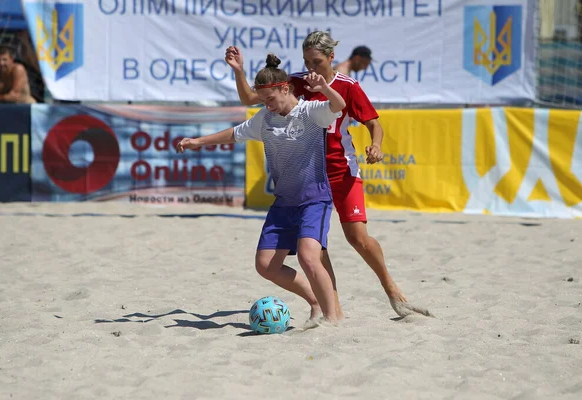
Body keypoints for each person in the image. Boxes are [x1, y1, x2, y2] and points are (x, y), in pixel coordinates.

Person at [225, 32, 431, 318]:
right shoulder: (294, 82)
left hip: (340, 169)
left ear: (331, 58)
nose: (311, 68)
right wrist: (239, 71)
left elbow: (374, 124)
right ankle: (333, 310)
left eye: (317, 61)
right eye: (307, 61)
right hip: (308, 173)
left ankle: (391, 288)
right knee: (315, 247)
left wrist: (376, 145)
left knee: (358, 238)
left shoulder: (347, 86)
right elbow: (251, 97)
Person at [177, 54, 346, 325]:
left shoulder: (311, 113)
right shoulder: (265, 119)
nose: (266, 105)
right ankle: (314, 302)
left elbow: (339, 105)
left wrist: (324, 88)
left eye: (270, 99)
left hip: (314, 199)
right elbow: (234, 133)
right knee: (266, 265)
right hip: (283, 203)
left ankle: (332, 319)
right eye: (262, 100)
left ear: (285, 88)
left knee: (308, 256)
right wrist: (199, 141)